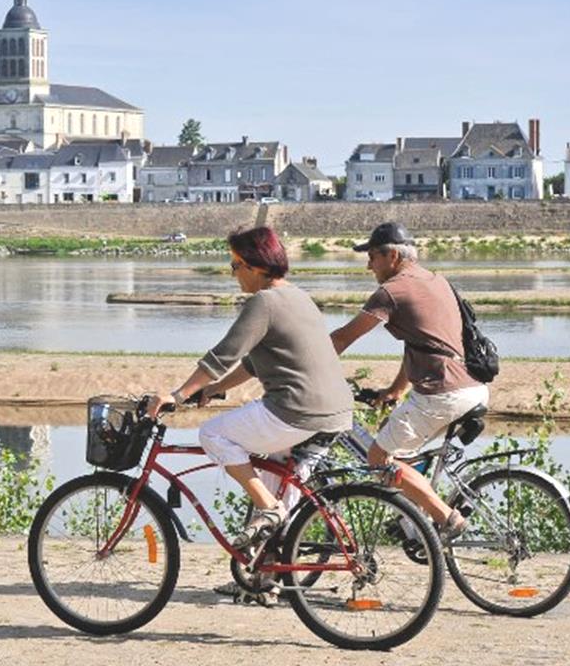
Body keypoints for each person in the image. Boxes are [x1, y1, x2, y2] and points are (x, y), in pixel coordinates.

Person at [146, 226, 353, 554]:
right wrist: (215, 389)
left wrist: (179, 395)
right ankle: (263, 578)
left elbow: (223, 355)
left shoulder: (264, 302)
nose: (233, 274)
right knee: (272, 478)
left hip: (297, 410)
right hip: (337, 412)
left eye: (235, 265)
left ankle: (270, 509)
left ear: (256, 266)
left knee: (213, 434)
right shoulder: (298, 297)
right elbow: (252, 365)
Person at [329, 222, 490, 542]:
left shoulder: (391, 291)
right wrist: (396, 390)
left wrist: (307, 367)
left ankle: (446, 516)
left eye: (372, 256)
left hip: (441, 393)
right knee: (396, 439)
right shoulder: (436, 280)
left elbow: (343, 338)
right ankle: (412, 524)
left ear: (391, 255)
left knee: (377, 459)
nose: (368, 264)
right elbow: (422, 344)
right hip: (472, 387)